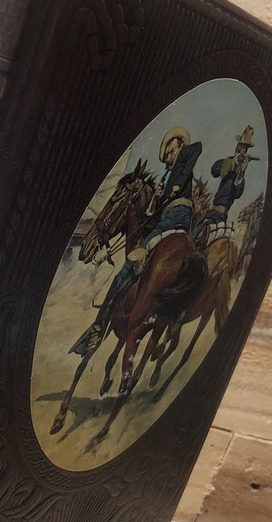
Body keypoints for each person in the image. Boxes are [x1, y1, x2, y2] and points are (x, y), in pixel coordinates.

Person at [71, 127, 202, 356]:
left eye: (170, 152)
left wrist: (176, 183)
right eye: (167, 155)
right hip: (170, 221)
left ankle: (98, 328)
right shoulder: (169, 178)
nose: (168, 158)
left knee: (129, 266)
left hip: (174, 219)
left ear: (179, 145)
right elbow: (154, 215)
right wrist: (158, 198)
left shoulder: (184, 161)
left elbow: (196, 148)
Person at [195, 125, 257, 244]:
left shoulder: (240, 175)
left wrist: (241, 172)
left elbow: (237, 194)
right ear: (236, 147)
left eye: (244, 148)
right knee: (195, 235)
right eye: (240, 146)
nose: (241, 150)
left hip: (220, 216)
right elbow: (214, 170)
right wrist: (232, 163)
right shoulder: (228, 162)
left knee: (195, 238)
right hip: (213, 213)